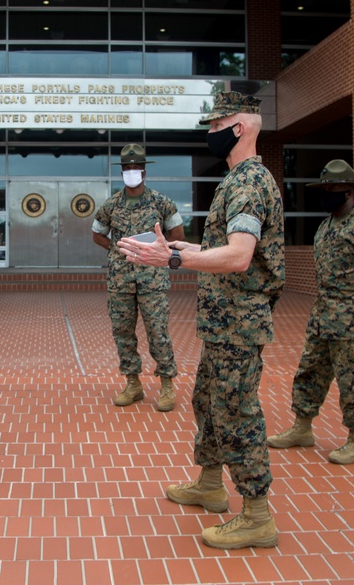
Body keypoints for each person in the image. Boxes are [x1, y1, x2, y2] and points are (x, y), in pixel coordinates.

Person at [117, 91, 284, 550]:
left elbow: (238, 256)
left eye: (216, 127)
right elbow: (216, 250)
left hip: (239, 325)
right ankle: (211, 485)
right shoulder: (234, 180)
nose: (209, 135)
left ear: (241, 128)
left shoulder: (249, 182)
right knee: (209, 402)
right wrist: (173, 250)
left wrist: (172, 263)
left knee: (237, 411)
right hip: (222, 323)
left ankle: (256, 515)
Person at [267, 159, 354, 464]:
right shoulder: (326, 225)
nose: (326, 194)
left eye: (331, 189)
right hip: (322, 316)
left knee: (353, 380)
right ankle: (302, 427)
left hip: (353, 319)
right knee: (310, 371)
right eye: (324, 188)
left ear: (348, 190)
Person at [92, 144, 185, 411]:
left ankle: (167, 384)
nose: (132, 171)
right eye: (127, 168)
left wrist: (158, 250)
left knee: (158, 332)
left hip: (152, 280)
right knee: (122, 332)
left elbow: (177, 234)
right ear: (122, 172)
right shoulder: (111, 204)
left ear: (144, 170)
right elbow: (97, 233)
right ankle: (133, 384)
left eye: (136, 167)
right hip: (120, 280)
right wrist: (118, 248)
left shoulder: (161, 202)